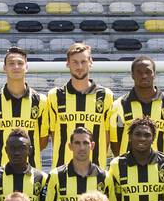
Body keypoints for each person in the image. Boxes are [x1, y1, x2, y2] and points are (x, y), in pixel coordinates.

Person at [44, 42, 119, 171]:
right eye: (75, 62)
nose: (79, 66)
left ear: (91, 62)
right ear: (67, 63)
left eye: (83, 61)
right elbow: (53, 134)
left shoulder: (106, 96)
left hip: (95, 172)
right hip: (62, 173)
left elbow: (108, 136)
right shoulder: (54, 96)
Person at [0, 46, 49, 172]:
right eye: (11, 63)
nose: (16, 67)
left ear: (26, 67)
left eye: (20, 63)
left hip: (32, 172)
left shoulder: (41, 101)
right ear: (4, 68)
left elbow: (43, 140)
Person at [43, 126, 110, 201]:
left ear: (92, 145)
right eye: (77, 143)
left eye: (85, 143)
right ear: (70, 146)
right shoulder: (56, 176)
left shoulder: (104, 177)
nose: (82, 148)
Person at [114, 56, 164, 155]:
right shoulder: (119, 105)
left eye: (148, 72)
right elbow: (115, 142)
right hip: (128, 167)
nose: (144, 76)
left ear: (154, 74)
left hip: (160, 167)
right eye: (139, 72)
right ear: (132, 75)